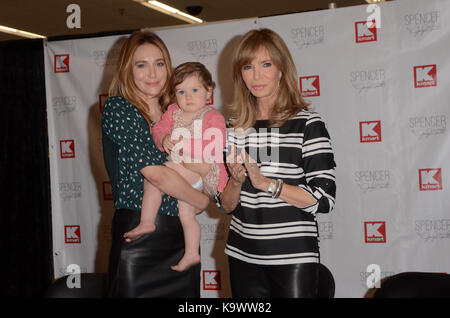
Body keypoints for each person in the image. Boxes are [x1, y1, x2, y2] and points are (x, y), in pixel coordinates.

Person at [217, 28, 337, 298]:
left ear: (282, 69)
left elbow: (325, 199)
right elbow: (225, 205)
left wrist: (267, 184)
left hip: (293, 258)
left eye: (266, 64)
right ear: (240, 74)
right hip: (242, 256)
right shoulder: (233, 128)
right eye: (248, 66)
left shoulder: (307, 123)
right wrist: (236, 182)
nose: (256, 75)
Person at [101, 29, 210, 297]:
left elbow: (201, 166)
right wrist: (201, 200)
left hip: (182, 241)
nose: (153, 74)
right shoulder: (119, 108)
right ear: (128, 70)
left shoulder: (179, 114)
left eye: (159, 64)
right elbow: (156, 174)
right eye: (142, 65)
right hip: (139, 240)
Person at [123, 62, 228, 272]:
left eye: (195, 90)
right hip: (184, 173)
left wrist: (182, 143)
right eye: (181, 91)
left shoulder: (212, 116)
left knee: (154, 177)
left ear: (209, 92)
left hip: (203, 172)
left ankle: (147, 220)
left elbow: (216, 143)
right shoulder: (173, 111)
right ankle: (191, 254)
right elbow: (159, 128)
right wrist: (164, 138)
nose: (188, 97)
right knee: (186, 214)